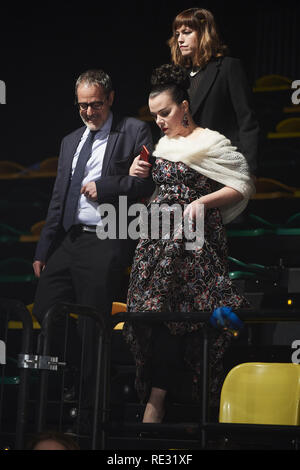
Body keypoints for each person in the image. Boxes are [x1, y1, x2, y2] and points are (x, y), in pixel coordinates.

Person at [124, 63, 255, 423]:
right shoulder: (162, 145)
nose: (160, 121)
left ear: (184, 105)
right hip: (156, 242)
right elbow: (157, 192)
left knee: (184, 318)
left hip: (193, 245)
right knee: (157, 318)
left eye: (165, 112)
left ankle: (164, 403)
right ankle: (158, 400)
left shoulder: (210, 141)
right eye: (154, 116)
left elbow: (240, 185)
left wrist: (200, 201)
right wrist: (140, 174)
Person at [32, 69, 155, 407]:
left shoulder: (134, 130)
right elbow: (58, 198)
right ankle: (88, 369)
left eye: (96, 105)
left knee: (91, 324)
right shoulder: (70, 140)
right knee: (45, 309)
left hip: (107, 235)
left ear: (111, 99)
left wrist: (108, 185)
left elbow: (148, 184)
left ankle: (91, 410)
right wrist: (43, 248)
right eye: (82, 106)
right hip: (70, 240)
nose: (89, 112)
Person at [167, 7, 259, 175]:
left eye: (186, 32)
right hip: (185, 169)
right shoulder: (178, 76)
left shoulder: (228, 67)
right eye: (177, 34)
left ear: (203, 33)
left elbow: (247, 121)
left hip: (222, 166)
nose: (180, 39)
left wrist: (248, 170)